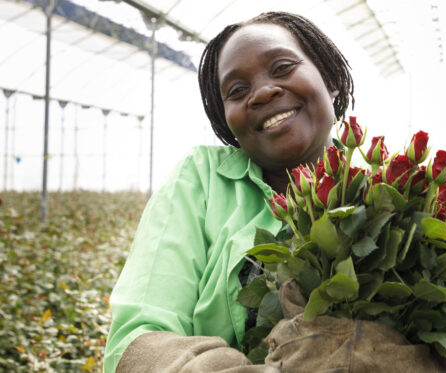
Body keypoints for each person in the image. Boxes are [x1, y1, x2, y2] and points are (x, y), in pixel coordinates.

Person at [103, 11, 354, 373]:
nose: (264, 91)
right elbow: (138, 336)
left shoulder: (393, 194)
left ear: (329, 79)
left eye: (282, 67)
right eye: (237, 91)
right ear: (227, 121)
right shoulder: (201, 181)